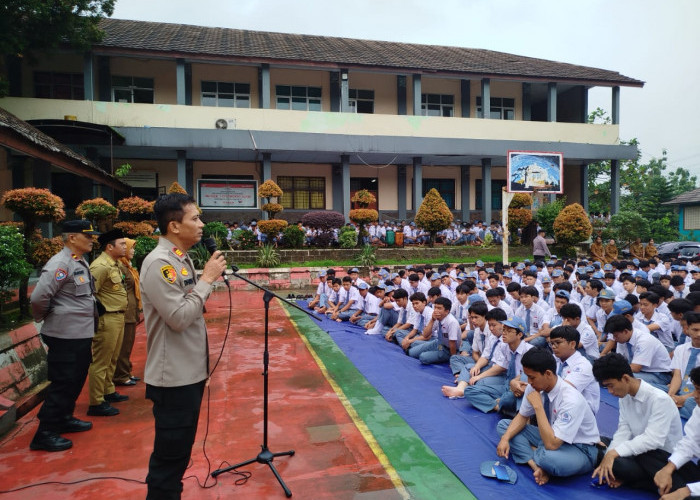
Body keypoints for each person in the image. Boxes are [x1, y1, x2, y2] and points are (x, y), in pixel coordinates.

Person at [140, 193, 227, 499]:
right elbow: (178, 317)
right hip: (173, 378)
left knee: (178, 454)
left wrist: (203, 282)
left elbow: (190, 306)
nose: (201, 224)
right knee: (169, 458)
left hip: (189, 373)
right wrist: (207, 280)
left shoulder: (180, 259)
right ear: (174, 226)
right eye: (195, 218)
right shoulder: (159, 264)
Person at [29, 220, 100, 452]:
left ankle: (64, 418)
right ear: (72, 238)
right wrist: (51, 316)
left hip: (79, 333)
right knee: (63, 382)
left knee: (76, 379)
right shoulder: (60, 264)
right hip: (64, 335)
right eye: (87, 236)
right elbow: (39, 299)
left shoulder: (78, 261)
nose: (92, 239)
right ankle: (45, 432)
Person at [496, 348, 600, 486]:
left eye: (532, 377)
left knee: (549, 459)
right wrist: (505, 438)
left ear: (548, 374)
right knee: (504, 426)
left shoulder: (571, 399)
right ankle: (536, 466)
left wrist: (538, 407)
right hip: (552, 435)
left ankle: (532, 453)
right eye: (527, 376)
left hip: (579, 448)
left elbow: (552, 444)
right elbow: (522, 416)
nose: (529, 381)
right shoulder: (533, 387)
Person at [591, 353, 682, 492]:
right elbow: (623, 430)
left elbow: (653, 440)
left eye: (611, 386)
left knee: (616, 462)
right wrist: (609, 455)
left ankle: (639, 479)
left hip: (658, 459)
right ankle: (623, 473)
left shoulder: (659, 400)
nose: (610, 392)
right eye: (606, 388)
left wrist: (613, 455)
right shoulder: (624, 397)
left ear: (625, 378)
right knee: (597, 444)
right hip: (637, 451)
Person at [87, 229, 128, 417]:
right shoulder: (100, 266)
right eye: (122, 244)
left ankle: (108, 390)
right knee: (101, 361)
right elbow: (89, 294)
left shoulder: (114, 264)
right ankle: (96, 402)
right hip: (107, 318)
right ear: (109, 247)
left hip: (118, 316)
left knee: (112, 357)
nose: (126, 247)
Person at [654, 367, 700, 500]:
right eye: (695, 389)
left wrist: (685, 491)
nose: (695, 395)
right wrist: (669, 468)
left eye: (699, 390)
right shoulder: (698, 409)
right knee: (650, 456)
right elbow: (690, 443)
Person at [113, 237, 142, 387]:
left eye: (129, 247)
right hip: (125, 311)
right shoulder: (121, 268)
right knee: (123, 345)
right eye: (130, 247)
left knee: (129, 343)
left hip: (132, 309)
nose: (131, 250)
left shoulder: (128, 266)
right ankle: (121, 375)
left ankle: (126, 371)